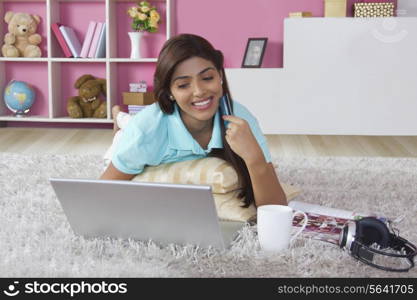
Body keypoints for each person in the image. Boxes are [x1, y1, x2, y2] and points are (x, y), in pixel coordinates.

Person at [100, 33, 286, 208]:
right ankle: (118, 115)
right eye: (183, 85)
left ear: (220, 77)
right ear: (170, 92)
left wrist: (254, 157)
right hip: (132, 131)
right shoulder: (145, 130)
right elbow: (103, 192)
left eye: (207, 78)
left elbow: (276, 207)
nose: (199, 91)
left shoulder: (240, 118)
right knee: (125, 127)